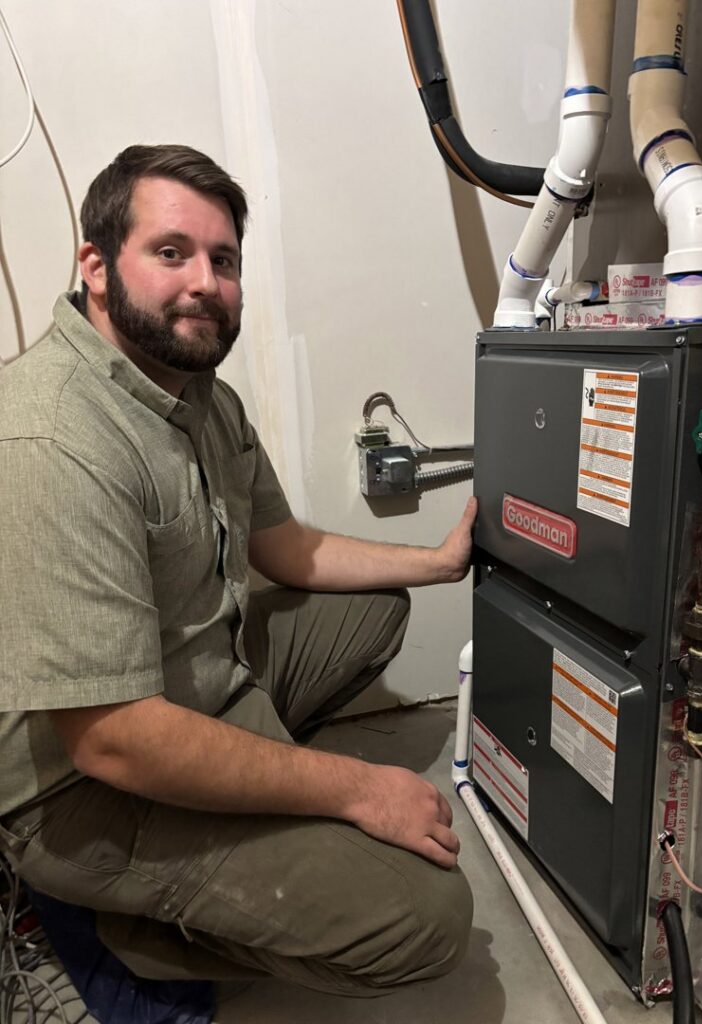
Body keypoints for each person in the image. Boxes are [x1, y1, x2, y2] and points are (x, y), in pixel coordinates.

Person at [0, 144, 475, 996]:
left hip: (188, 679)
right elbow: (110, 735)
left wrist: (439, 562)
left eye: (224, 260)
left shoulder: (200, 395)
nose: (204, 283)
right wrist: (356, 788)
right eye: (171, 252)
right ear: (96, 266)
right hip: (77, 786)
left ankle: (238, 773)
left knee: (377, 610)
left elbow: (287, 549)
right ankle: (138, 933)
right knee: (426, 916)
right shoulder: (53, 438)